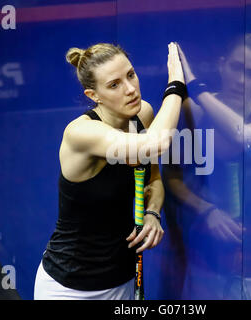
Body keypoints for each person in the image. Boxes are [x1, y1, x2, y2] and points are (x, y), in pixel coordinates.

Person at [34, 42, 186, 300]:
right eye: (114, 85)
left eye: (130, 75)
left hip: (122, 281)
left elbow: (155, 177)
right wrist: (176, 85)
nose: (130, 89)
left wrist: (152, 212)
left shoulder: (143, 115)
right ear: (94, 95)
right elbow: (154, 145)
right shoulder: (81, 133)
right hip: (69, 287)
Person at [162, 34, 251, 299]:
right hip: (211, 269)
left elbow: (243, 135)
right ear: (221, 65)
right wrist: (206, 210)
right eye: (235, 67)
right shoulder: (194, 112)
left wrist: (194, 85)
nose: (240, 79)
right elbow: (172, 178)